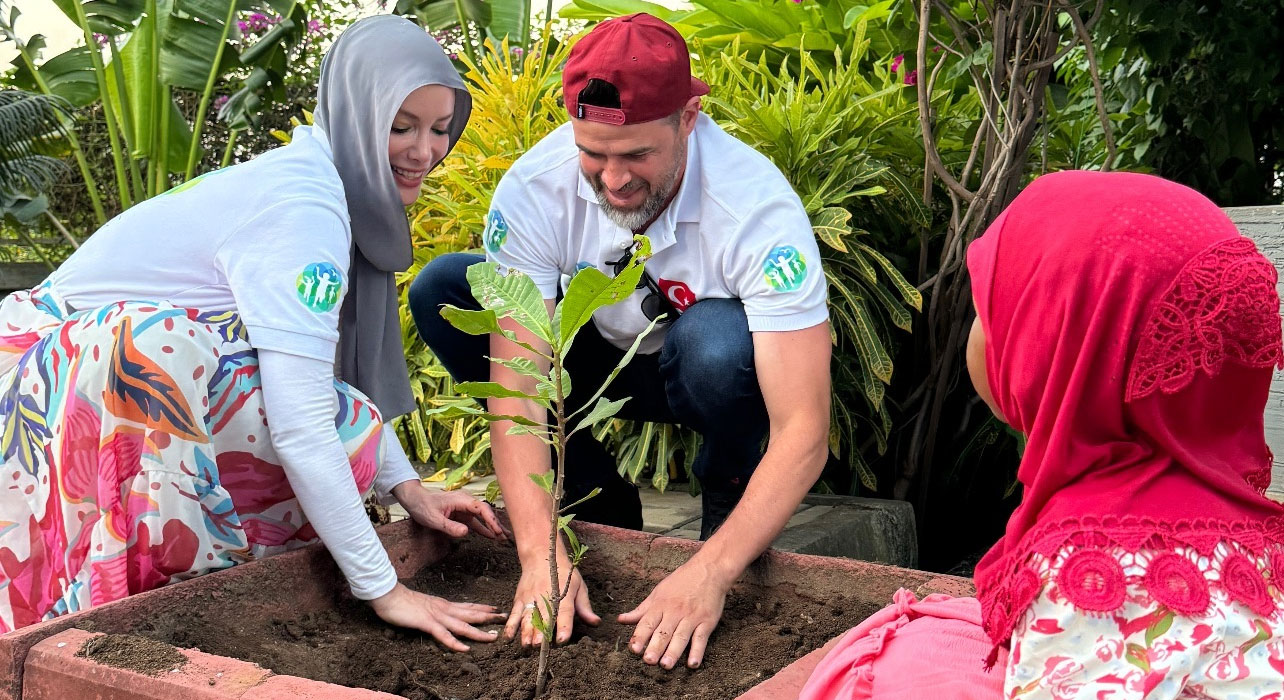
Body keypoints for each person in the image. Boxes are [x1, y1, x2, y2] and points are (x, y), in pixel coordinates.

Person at [0, 15, 508, 650]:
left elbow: (321, 385)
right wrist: (385, 589)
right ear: (353, 114)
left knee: (346, 419)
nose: (424, 151)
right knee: (301, 411)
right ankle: (145, 610)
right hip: (41, 377)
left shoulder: (323, 180)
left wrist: (407, 489)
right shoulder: (305, 212)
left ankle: (221, 587)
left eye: (441, 129)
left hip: (79, 374)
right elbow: (301, 424)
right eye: (400, 126)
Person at [409, 13, 832, 670]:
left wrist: (710, 573)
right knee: (445, 286)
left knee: (718, 346)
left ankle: (724, 507)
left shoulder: (756, 211)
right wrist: (538, 551)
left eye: (637, 155)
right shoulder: (533, 189)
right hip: (592, 363)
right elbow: (519, 390)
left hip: (696, 371)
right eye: (593, 154)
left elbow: (804, 427)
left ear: (689, 117)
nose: (612, 180)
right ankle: (596, 493)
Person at [802, 170, 1284, 699]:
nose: (980, 330)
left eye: (994, 309)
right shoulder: (1258, 536)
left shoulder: (1088, 569)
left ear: (1057, 342)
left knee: (891, 668)